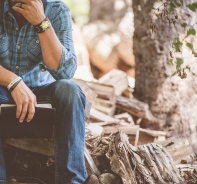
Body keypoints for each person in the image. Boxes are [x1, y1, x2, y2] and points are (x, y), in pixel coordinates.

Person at [0, 0, 99, 183]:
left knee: (70, 91)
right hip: (3, 90)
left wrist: (41, 22)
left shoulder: (57, 10)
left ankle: (72, 180)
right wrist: (13, 81)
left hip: (43, 93)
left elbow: (65, 72)